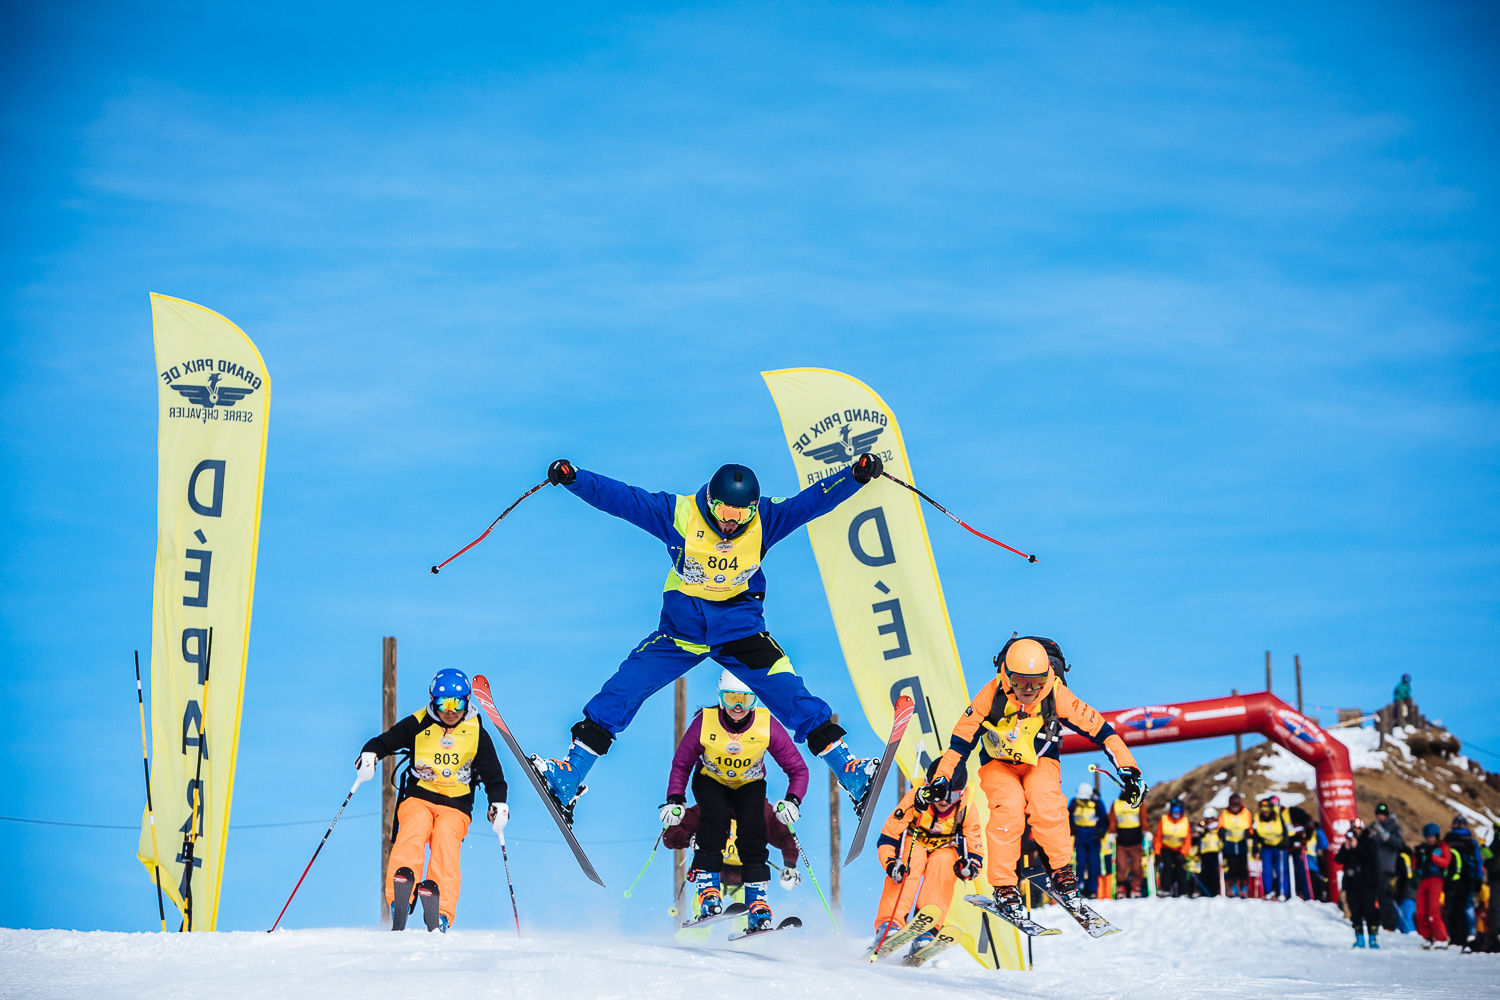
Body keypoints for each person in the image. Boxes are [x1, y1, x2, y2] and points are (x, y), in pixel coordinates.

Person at [534, 456, 885, 815]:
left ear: (753, 509)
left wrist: (854, 476)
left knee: (791, 693)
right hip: (680, 634)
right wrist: (576, 478)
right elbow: (623, 499)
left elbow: (811, 501)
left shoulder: (766, 519)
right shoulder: (679, 514)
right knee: (624, 688)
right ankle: (570, 774)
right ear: (709, 501)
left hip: (740, 633)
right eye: (722, 510)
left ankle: (850, 772)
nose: (731, 521)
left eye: (741, 514)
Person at [917, 636, 1144, 924]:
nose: (1029, 690)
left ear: (1046, 676)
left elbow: (1102, 731)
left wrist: (1128, 769)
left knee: (1047, 805)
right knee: (1008, 811)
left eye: (1036, 682)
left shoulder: (1056, 693)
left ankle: (1061, 871)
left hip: (1040, 760)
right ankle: (1005, 886)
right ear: (1007, 675)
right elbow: (959, 745)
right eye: (1021, 682)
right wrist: (941, 780)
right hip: (999, 763)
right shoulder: (991, 695)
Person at [357, 668, 507, 932]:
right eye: (443, 704)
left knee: (446, 840)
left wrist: (499, 804)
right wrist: (369, 755)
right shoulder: (420, 722)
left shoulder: (476, 732)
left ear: (467, 701)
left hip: (456, 805)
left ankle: (442, 911)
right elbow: (384, 742)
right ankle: (400, 894)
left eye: (457, 704)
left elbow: (495, 777)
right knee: (412, 829)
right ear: (433, 701)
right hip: (419, 797)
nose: (450, 711)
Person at [661, 670, 809, 930]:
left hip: (749, 784)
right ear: (720, 698)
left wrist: (793, 800)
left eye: (745, 700)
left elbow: (798, 768)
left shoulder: (766, 725)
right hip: (711, 780)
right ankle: (708, 891)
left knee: (753, 829)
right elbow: (682, 763)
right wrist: (675, 798)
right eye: (730, 699)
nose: (738, 707)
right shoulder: (705, 723)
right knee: (714, 818)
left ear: (755, 700)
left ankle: (757, 903)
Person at [872, 761, 984, 958]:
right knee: (910, 859)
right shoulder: (914, 800)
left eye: (953, 796)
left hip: (943, 850)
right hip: (915, 846)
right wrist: (890, 863)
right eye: (939, 795)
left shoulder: (966, 808)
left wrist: (971, 866)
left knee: (944, 862)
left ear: (962, 794)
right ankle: (890, 924)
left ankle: (927, 931)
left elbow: (973, 843)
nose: (944, 802)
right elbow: (889, 835)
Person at [661, 800, 801, 912]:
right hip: (715, 872)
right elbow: (671, 834)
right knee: (702, 906)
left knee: (746, 911)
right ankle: (691, 937)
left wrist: (790, 864)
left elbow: (786, 836)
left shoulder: (760, 809)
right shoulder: (711, 807)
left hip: (744, 876)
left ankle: (751, 936)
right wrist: (689, 838)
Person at [1335, 820, 1382, 948]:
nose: (1356, 832)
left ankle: (1372, 938)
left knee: (1369, 911)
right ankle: (1359, 937)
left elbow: (1371, 857)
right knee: (1355, 911)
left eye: (1358, 829)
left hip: (1367, 883)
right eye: (1354, 829)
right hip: (1352, 883)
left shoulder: (1369, 841)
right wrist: (1346, 848)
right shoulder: (1348, 843)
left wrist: (1357, 847)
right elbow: (1338, 859)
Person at [1443, 815, 1482, 950]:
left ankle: (1452, 936)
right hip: (1468, 879)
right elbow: (1478, 861)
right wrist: (1479, 879)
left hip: (1450, 880)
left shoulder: (1448, 840)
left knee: (1451, 909)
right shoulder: (1470, 841)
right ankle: (1470, 934)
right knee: (1467, 907)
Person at [1413, 822, 1452, 948]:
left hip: (1436, 880)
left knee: (1433, 910)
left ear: (1436, 836)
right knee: (1420, 911)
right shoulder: (1423, 848)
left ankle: (1441, 937)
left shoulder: (1442, 847)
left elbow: (1446, 862)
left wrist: (1433, 858)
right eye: (1427, 836)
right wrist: (1417, 857)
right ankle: (1427, 936)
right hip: (1424, 880)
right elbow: (1415, 867)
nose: (1429, 839)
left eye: (1431, 836)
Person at [1068, 782, 1108, 898]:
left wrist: (1101, 831)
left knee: (1094, 864)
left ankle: (1092, 890)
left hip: (1093, 836)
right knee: (1079, 863)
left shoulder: (1097, 803)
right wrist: (1072, 828)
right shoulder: (1074, 803)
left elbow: (1104, 819)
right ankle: (1078, 887)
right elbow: (1068, 817)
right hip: (1079, 835)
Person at [1369, 802, 1403, 929]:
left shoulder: (1394, 827)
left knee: (1386, 896)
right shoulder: (1374, 827)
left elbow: (1399, 844)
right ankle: (1378, 922)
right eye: (1378, 814)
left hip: (1387, 867)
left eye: (1383, 814)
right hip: (1374, 868)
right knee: (1374, 896)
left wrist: (1385, 835)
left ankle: (1389, 924)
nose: (1380, 817)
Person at [1253, 796, 1293, 900]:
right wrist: (1255, 846)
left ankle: (1283, 892)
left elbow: (1286, 830)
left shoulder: (1279, 815)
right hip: (1266, 847)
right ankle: (1269, 891)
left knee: (1281, 869)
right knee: (1267, 870)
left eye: (1268, 810)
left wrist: (1285, 842)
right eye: (1263, 810)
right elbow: (1255, 834)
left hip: (1279, 847)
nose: (1266, 812)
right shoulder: (1257, 817)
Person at [1109, 791, 1148, 898]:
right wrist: (1112, 833)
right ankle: (1121, 887)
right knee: (1121, 865)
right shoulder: (1116, 804)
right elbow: (1112, 820)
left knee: (1136, 866)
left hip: (1135, 840)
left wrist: (1146, 830)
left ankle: (1136, 887)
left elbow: (1143, 817)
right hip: (1121, 840)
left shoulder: (1138, 803)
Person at [1154, 800, 1193, 898]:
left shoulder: (1185, 821)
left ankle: (1183, 891)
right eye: (1174, 809)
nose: (1176, 812)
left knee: (1180, 868)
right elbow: (1158, 837)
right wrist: (1157, 853)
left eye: (1178, 809)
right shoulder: (1164, 819)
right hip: (1166, 848)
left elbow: (1188, 839)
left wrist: (1183, 852)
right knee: (1167, 867)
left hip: (1179, 850)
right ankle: (1165, 889)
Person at [1218, 793, 1253, 898]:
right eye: (1233, 804)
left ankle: (1243, 887)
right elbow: (1220, 827)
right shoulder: (1225, 813)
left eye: (1236, 804)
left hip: (1242, 842)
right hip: (1230, 843)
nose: (1234, 807)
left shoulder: (1246, 813)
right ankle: (1232, 888)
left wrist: (1249, 833)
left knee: (1243, 866)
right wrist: (1221, 831)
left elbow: (1250, 827)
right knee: (1231, 867)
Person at [1393, 842, 1418, 934]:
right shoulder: (1407, 856)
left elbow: (1407, 875)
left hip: (1407, 891)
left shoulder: (1403, 857)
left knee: (1406, 916)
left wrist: (1400, 891)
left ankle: (1410, 933)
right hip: (1409, 890)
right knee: (1403, 916)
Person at [1197, 814, 1222, 897]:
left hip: (1215, 853)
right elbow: (1199, 837)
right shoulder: (1204, 829)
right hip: (1204, 854)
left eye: (1210, 819)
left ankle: (1214, 892)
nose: (1208, 821)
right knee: (1204, 874)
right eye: (1207, 819)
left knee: (1214, 874)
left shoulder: (1218, 828)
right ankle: (1205, 893)